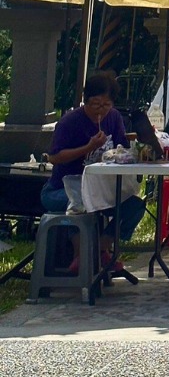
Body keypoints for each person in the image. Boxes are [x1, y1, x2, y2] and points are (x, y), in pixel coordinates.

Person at [42, 72, 146, 273]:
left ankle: (100, 248)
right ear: (85, 101)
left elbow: (121, 148)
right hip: (62, 189)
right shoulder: (69, 122)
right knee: (82, 203)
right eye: (96, 104)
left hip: (102, 189)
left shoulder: (114, 118)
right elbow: (54, 157)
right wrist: (87, 148)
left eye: (106, 105)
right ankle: (81, 254)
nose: (101, 110)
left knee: (134, 207)